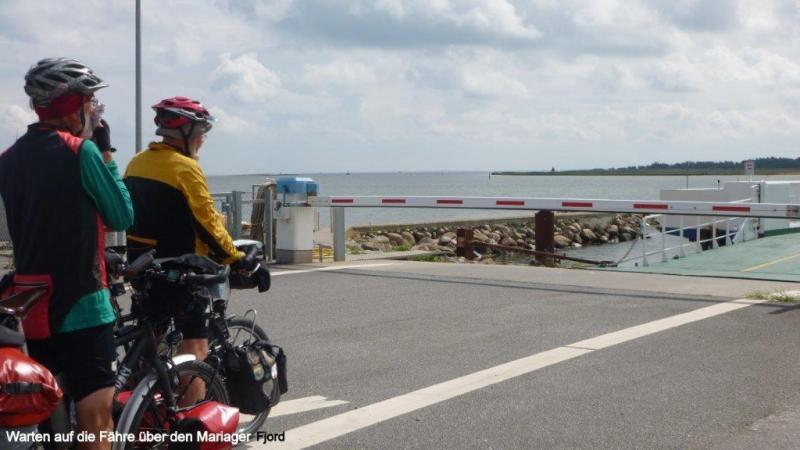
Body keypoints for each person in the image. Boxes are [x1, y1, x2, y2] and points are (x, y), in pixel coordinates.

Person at [0, 57, 133, 450]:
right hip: (83, 303)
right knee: (96, 419)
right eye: (89, 101)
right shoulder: (80, 151)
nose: (92, 109)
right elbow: (122, 215)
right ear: (71, 104)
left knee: (51, 416)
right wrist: (104, 150)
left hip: (33, 306)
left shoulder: (8, 159)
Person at [124, 96, 259, 387]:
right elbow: (207, 222)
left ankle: (145, 401)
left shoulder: (137, 162)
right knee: (195, 350)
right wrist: (236, 258)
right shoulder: (184, 168)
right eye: (201, 132)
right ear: (186, 133)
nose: (202, 139)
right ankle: (191, 413)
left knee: (151, 343)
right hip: (180, 270)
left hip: (142, 266)